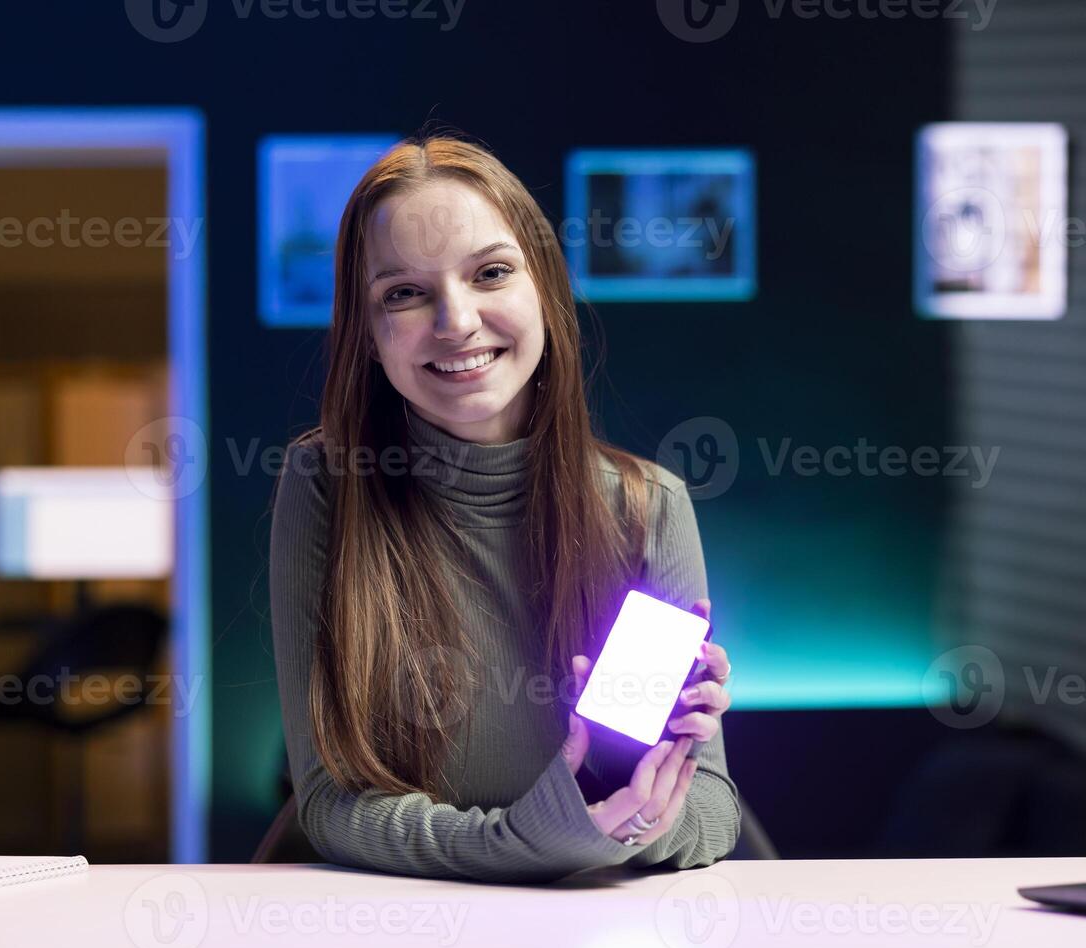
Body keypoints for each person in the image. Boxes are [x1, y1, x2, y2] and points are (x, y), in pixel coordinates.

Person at [269, 135, 739, 882]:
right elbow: (328, 804)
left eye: (490, 273)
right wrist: (531, 840)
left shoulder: (647, 507)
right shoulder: (329, 482)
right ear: (369, 338)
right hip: (389, 934)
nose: (455, 321)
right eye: (404, 293)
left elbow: (713, 813)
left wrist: (640, 804)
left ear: (544, 291)